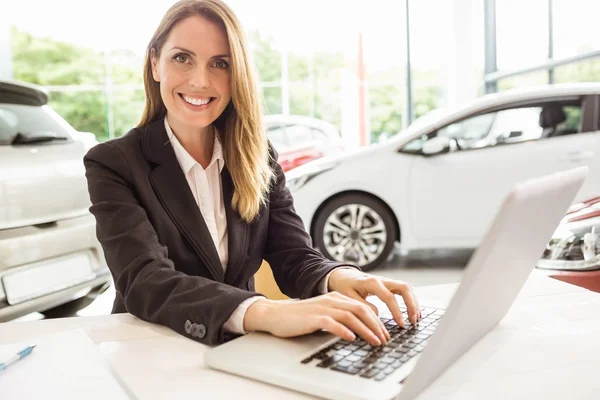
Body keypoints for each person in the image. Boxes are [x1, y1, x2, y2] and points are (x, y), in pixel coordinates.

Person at [84, 0, 420, 347]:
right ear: (155, 63)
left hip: (240, 348)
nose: (200, 80)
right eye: (182, 58)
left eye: (220, 64)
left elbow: (293, 256)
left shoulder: (257, 157)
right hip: (153, 350)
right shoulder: (114, 163)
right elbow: (144, 281)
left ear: (236, 74)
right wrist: (267, 313)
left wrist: (339, 276)